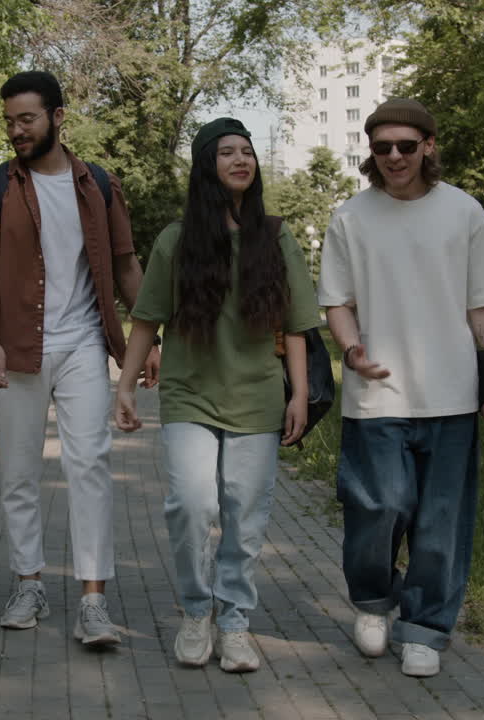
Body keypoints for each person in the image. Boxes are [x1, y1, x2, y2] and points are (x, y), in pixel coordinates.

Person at [0, 70, 159, 647]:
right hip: (17, 346)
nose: (16, 130)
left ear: (58, 116)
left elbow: (125, 265)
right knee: (18, 471)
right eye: (10, 121)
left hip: (83, 344)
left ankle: (94, 601)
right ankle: (29, 583)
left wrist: (149, 339)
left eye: (28, 119)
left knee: (90, 464)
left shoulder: (97, 183)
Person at [115, 118, 320, 673]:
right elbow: (145, 320)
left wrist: (298, 395)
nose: (240, 160)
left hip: (256, 398)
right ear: (207, 166)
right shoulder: (175, 240)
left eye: (247, 152)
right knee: (192, 504)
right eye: (227, 152)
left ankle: (233, 622)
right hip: (188, 396)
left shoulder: (275, 236)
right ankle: (195, 608)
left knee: (244, 513)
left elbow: (298, 326)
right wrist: (126, 387)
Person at [317, 98, 484, 676]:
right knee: (378, 506)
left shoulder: (464, 211)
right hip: (376, 397)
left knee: (440, 519)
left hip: (451, 392)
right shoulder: (351, 216)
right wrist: (352, 352)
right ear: (371, 153)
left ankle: (426, 625)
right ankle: (374, 603)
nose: (395, 157)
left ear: (429, 145)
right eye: (383, 148)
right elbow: (336, 301)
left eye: (406, 145)